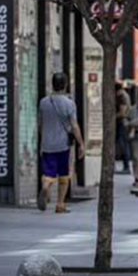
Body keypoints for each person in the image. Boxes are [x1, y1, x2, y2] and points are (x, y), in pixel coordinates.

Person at [37, 73, 85, 213]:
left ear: (52, 84)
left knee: (48, 173)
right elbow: (74, 126)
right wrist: (81, 143)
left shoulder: (44, 102)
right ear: (65, 85)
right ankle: (60, 204)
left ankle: (46, 186)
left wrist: (43, 136)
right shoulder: (69, 103)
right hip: (63, 144)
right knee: (64, 173)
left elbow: (40, 124)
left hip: (47, 144)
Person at [115, 82, 133, 174]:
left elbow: (122, 113)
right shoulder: (124, 95)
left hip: (122, 123)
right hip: (123, 123)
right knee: (122, 144)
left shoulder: (122, 97)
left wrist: (112, 117)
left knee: (123, 144)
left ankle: (126, 166)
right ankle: (126, 166)